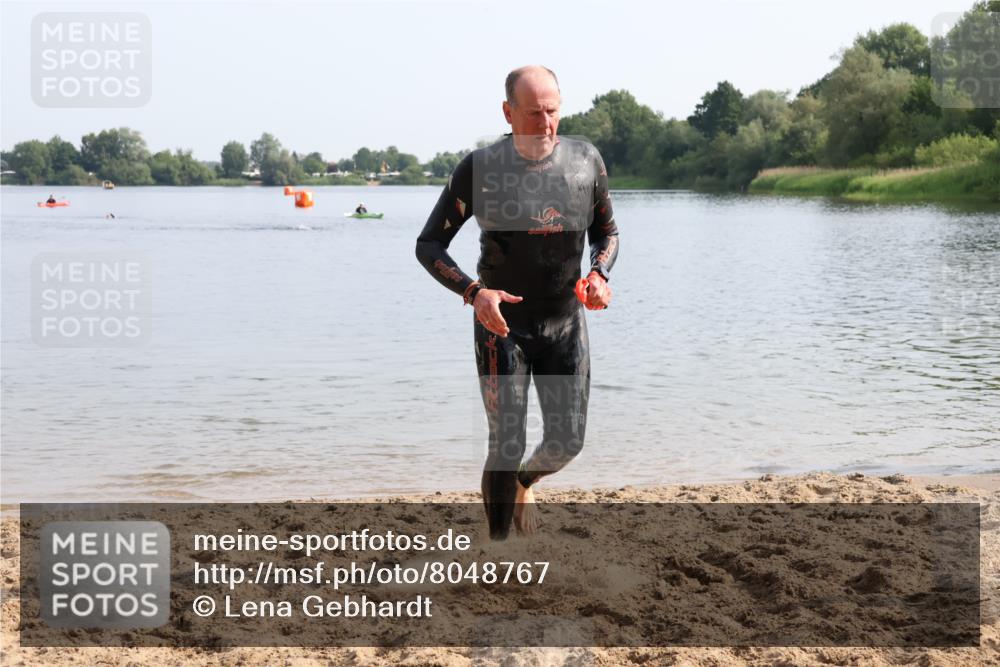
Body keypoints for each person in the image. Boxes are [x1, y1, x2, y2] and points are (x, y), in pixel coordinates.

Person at [415, 65, 618, 540]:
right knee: (506, 444)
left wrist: (598, 274)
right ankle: (497, 548)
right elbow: (429, 245)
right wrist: (474, 292)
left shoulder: (585, 161)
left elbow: (606, 232)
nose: (546, 124)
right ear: (508, 113)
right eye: (533, 114)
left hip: (564, 322)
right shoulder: (480, 169)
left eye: (552, 112)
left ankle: (525, 483)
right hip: (501, 325)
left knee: (567, 442)